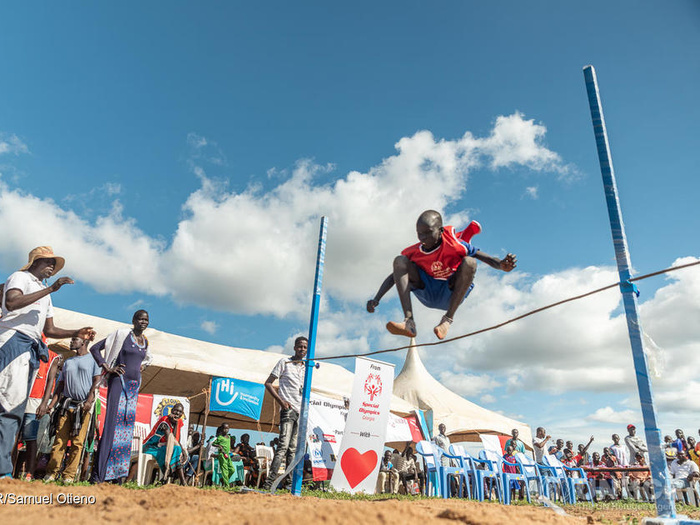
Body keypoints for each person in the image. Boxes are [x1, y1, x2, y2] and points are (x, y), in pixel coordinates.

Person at [0, 246, 94, 478]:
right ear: (35, 261)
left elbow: (49, 329)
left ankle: (3, 471)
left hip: (31, 347)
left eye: (55, 263)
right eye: (49, 261)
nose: (52, 266)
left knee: (15, 410)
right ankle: (2, 472)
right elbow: (11, 303)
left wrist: (77, 331)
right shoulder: (20, 277)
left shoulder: (44, 292)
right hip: (14, 340)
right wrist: (51, 288)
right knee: (8, 405)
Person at [367, 210, 516, 340]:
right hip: (427, 290)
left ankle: (447, 320)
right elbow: (394, 275)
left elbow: (487, 258)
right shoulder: (415, 252)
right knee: (400, 261)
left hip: (450, 293)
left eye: (428, 232)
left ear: (441, 231)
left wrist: (501, 265)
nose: (423, 238)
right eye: (419, 233)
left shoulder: (455, 245)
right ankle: (409, 322)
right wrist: (377, 298)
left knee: (470, 262)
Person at [89, 310, 153, 483]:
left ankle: (116, 475)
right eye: (140, 319)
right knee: (111, 428)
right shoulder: (122, 335)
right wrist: (107, 367)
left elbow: (145, 360)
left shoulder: (145, 341)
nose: (143, 322)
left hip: (133, 387)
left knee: (125, 430)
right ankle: (98, 475)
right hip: (119, 382)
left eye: (146, 320)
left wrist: (142, 368)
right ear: (133, 320)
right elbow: (94, 349)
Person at [43, 335, 102, 483]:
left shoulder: (93, 361)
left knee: (77, 443)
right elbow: (60, 386)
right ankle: (51, 473)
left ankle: (68, 476)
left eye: (75, 339)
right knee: (59, 440)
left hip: (83, 407)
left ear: (84, 342)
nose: (71, 342)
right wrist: (51, 405)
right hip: (66, 405)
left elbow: (96, 383)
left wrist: (89, 401)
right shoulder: (68, 362)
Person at [262, 336, 307, 490]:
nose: (302, 349)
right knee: (283, 446)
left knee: (293, 449)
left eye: (305, 347)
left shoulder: (306, 367)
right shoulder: (284, 362)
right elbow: (268, 383)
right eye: (300, 346)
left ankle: (287, 484)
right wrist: (281, 402)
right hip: (288, 410)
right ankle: (269, 483)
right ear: (294, 348)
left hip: (300, 412)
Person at [14, 344, 61, 480]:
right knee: (14, 437)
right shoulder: (25, 348)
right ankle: (10, 471)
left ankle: (29, 472)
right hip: (19, 396)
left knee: (30, 437)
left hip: (36, 399)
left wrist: (44, 403)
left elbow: (51, 381)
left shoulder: (53, 357)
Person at [138, 403, 187, 484]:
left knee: (178, 449)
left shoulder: (179, 422)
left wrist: (183, 451)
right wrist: (174, 424)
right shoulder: (164, 420)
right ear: (171, 411)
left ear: (182, 414)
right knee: (177, 449)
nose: (178, 413)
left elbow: (176, 440)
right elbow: (170, 439)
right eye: (176, 410)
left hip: (163, 447)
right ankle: (179, 480)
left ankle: (169, 477)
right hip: (150, 447)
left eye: (180, 412)